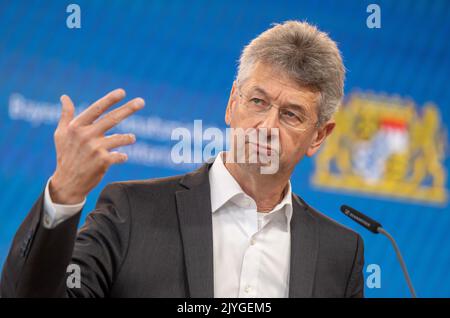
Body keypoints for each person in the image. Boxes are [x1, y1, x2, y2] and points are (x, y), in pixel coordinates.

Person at [0, 20, 364, 298]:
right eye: (258, 101)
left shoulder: (340, 252)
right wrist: (64, 193)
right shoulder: (131, 212)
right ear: (231, 105)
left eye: (291, 114)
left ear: (318, 136)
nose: (266, 126)